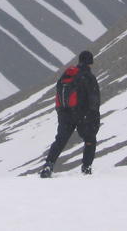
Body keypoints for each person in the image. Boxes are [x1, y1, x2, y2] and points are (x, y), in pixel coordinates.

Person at [39, 50, 100, 178]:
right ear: (90, 62)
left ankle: (48, 165)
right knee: (90, 139)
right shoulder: (88, 76)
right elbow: (94, 99)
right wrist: (94, 118)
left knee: (60, 140)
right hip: (82, 115)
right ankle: (86, 167)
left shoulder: (67, 75)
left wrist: (61, 112)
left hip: (64, 113)